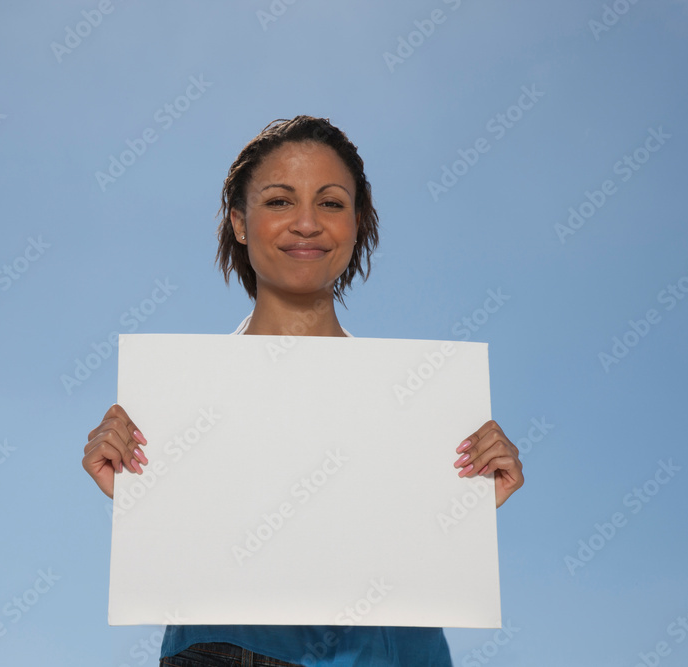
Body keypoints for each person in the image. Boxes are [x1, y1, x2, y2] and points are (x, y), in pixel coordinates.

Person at [81, 116, 525, 667]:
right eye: (279, 201)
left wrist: (468, 501)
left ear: (356, 224)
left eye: (331, 203)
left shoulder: (417, 402)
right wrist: (139, 491)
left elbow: (399, 543)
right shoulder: (178, 402)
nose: (308, 224)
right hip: (232, 651)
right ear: (240, 223)